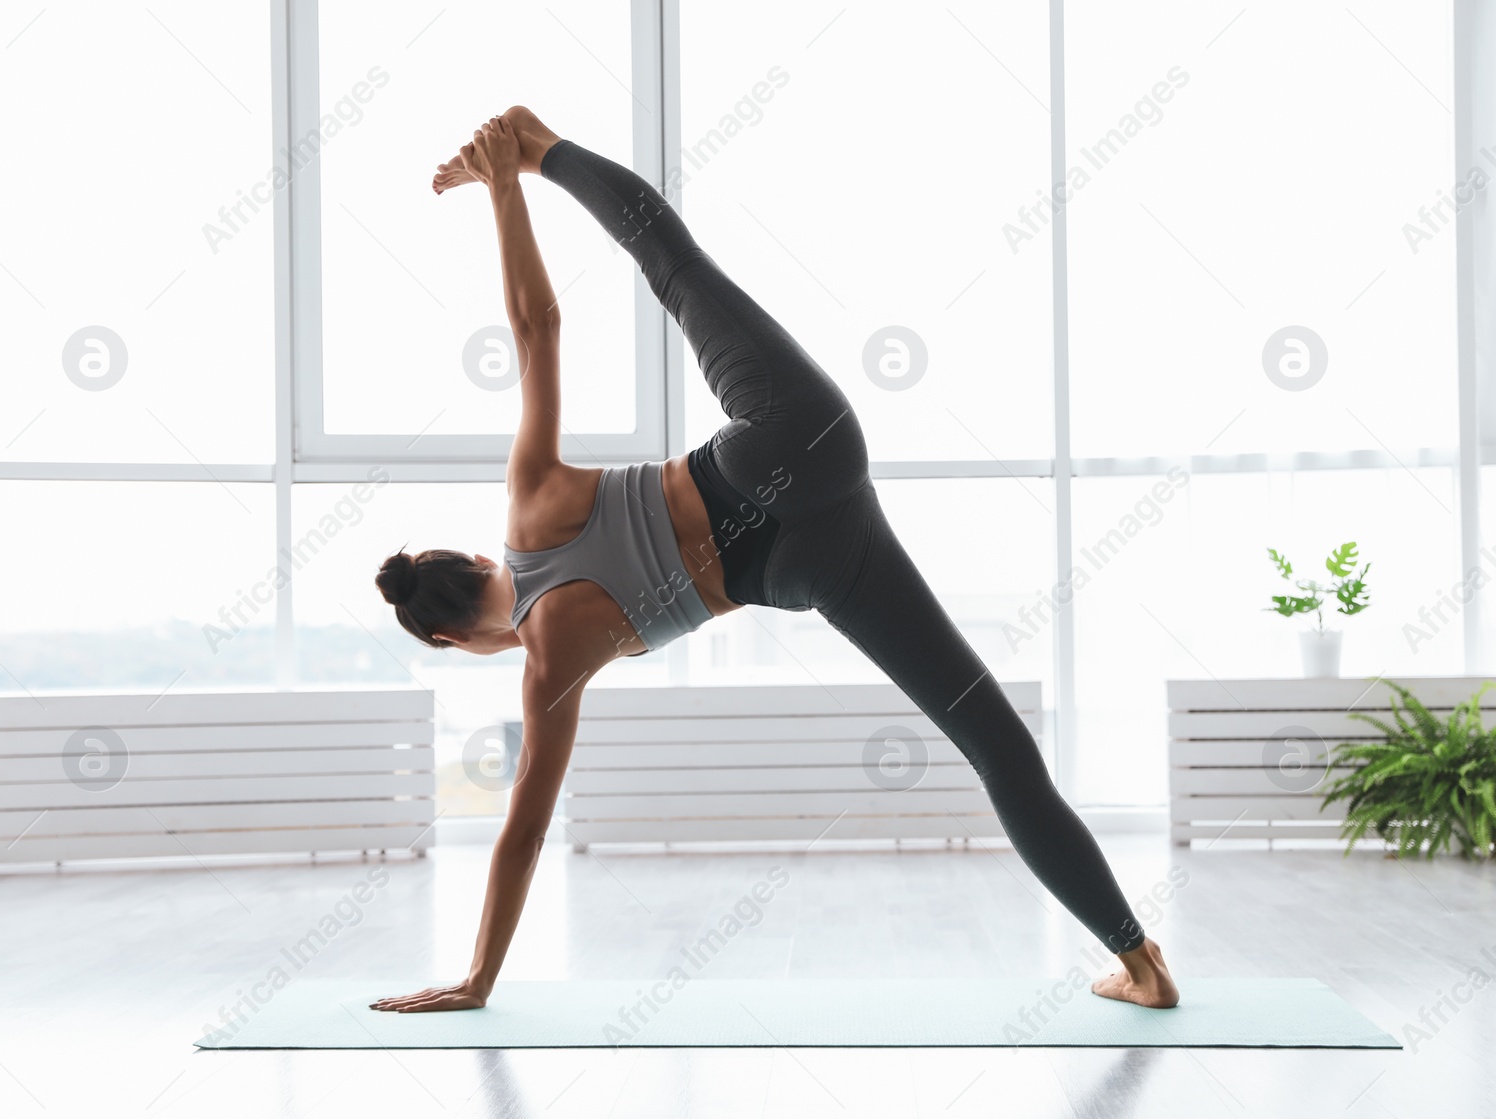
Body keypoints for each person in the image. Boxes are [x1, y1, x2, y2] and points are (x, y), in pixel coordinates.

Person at [369, 107, 1178, 1015]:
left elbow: (521, 831)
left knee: (989, 740)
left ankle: (1141, 964)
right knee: (674, 271)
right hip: (795, 442)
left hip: (808, 564)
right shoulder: (529, 501)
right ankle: (538, 142)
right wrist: (509, 189)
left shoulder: (551, 664)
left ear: (450, 638)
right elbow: (536, 330)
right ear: (477, 556)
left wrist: (479, 978)